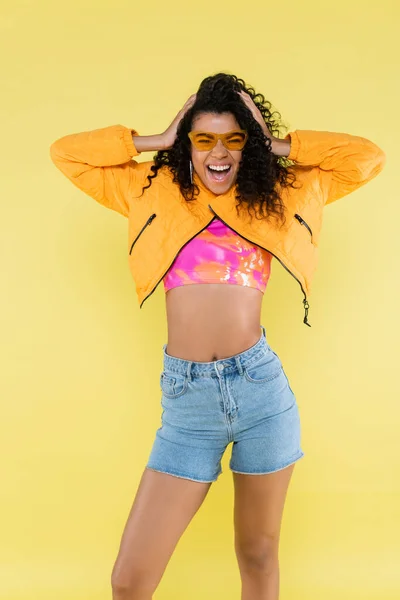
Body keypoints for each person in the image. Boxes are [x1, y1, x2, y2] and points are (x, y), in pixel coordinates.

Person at [50, 72, 385, 600]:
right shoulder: (148, 190)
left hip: (260, 391)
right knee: (129, 579)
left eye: (234, 139)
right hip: (188, 404)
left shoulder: (282, 190)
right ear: (188, 145)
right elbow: (67, 154)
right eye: (203, 139)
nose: (219, 154)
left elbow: (365, 157)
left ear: (248, 145)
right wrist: (156, 139)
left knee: (257, 554)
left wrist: (277, 145)